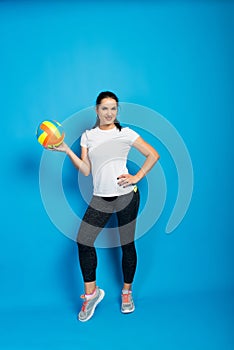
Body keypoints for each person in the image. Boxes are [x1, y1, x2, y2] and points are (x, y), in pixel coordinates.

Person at [48, 91, 160, 322]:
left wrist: (136, 176)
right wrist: (67, 150)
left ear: (117, 111)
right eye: (104, 108)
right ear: (96, 110)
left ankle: (127, 293)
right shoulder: (88, 136)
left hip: (126, 197)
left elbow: (153, 154)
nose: (109, 113)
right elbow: (86, 170)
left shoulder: (126, 133)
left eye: (113, 108)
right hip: (100, 198)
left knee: (127, 245)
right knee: (84, 241)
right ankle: (92, 294)